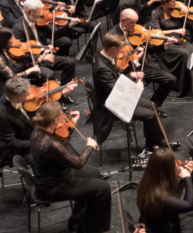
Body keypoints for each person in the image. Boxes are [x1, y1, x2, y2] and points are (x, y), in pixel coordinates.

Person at [30, 101, 110, 233]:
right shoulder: (50, 144)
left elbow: (62, 143)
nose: (63, 118)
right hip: (54, 186)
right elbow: (78, 163)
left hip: (53, 175)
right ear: (55, 120)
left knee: (95, 173)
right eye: (61, 116)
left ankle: (79, 219)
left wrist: (72, 124)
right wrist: (89, 146)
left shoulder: (38, 130)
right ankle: (94, 229)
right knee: (103, 188)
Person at [92, 32, 177, 151]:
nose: (122, 52)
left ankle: (151, 144)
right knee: (150, 115)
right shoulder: (102, 68)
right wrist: (137, 87)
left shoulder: (104, 57)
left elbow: (117, 76)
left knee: (153, 106)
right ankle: (160, 143)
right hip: (113, 104)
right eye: (120, 49)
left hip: (116, 97)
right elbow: (117, 92)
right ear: (113, 49)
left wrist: (134, 64)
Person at [108, 9, 177, 115]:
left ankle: (153, 106)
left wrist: (165, 44)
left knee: (171, 79)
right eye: (132, 23)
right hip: (124, 72)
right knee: (136, 87)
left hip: (139, 67)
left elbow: (148, 48)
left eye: (136, 22)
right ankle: (129, 111)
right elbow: (111, 64)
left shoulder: (136, 30)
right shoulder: (112, 36)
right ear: (123, 20)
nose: (135, 26)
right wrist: (133, 66)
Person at [0, 76, 75, 165]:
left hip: (39, 134)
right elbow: (12, 144)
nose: (31, 95)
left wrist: (62, 93)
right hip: (26, 147)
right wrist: (39, 141)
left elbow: (44, 106)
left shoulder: (24, 98)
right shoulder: (3, 114)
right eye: (27, 95)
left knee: (63, 146)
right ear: (15, 99)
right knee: (54, 161)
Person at [13, 0, 78, 96]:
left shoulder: (40, 21)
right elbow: (21, 54)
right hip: (32, 61)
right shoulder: (18, 28)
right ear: (29, 12)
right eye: (38, 11)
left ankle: (63, 94)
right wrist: (42, 57)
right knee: (49, 74)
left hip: (45, 53)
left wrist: (69, 26)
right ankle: (53, 97)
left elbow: (53, 35)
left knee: (70, 63)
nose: (41, 14)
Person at [151, 0, 193, 97]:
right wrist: (175, 31)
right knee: (186, 55)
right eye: (172, 1)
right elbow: (156, 32)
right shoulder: (156, 13)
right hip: (166, 43)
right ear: (165, 1)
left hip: (180, 41)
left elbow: (190, 25)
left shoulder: (178, 10)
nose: (175, 3)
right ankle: (190, 88)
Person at [136, 148, 193, 233]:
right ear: (167, 169)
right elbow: (190, 205)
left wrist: (183, 180)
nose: (177, 165)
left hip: (162, 219)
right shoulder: (160, 195)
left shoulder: (149, 181)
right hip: (161, 228)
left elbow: (174, 197)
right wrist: (187, 177)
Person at [0, 27, 55, 94]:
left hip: (21, 78)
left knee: (46, 75)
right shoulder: (1, 58)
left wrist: (44, 54)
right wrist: (31, 70)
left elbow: (30, 65)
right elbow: (13, 77)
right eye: (12, 38)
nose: (15, 39)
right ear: (4, 40)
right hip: (10, 85)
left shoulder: (10, 50)